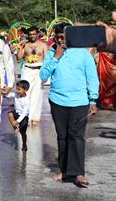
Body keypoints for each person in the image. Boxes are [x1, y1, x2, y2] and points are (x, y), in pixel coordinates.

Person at [40, 23, 99, 187]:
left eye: (63, 37)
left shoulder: (82, 53)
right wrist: (56, 58)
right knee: (62, 137)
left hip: (79, 102)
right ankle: (65, 171)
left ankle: (79, 173)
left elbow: (92, 77)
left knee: (77, 137)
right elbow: (43, 75)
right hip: (57, 101)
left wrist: (93, 99)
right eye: (57, 37)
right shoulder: (52, 52)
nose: (60, 41)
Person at [17, 26, 47, 125]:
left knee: (37, 94)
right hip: (27, 70)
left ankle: (34, 117)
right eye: (30, 34)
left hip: (39, 71)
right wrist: (20, 47)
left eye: (34, 34)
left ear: (37, 34)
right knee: (26, 93)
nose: (32, 36)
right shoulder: (25, 45)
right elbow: (18, 58)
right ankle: (24, 115)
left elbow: (46, 60)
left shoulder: (43, 45)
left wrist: (46, 74)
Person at [4, 80, 30, 151]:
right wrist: (4, 91)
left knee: (23, 132)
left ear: (25, 90)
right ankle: (15, 127)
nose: (17, 91)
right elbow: (7, 96)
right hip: (17, 113)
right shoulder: (16, 94)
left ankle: (24, 144)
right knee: (9, 113)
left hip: (24, 117)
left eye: (19, 89)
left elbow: (24, 113)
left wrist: (18, 121)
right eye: (16, 88)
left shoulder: (26, 100)